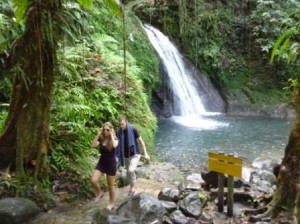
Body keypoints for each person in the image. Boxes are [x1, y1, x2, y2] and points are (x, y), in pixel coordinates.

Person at [116, 116, 150, 197]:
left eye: (123, 124)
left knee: (131, 170)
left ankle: (133, 188)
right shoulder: (118, 132)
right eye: (120, 125)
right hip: (125, 156)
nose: (121, 126)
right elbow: (117, 144)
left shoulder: (133, 129)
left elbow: (141, 141)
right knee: (128, 172)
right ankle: (132, 187)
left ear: (126, 122)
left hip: (135, 154)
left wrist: (145, 153)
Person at [90, 122, 118, 210]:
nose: (105, 131)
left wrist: (112, 135)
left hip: (111, 164)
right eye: (104, 129)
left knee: (110, 186)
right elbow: (93, 145)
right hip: (101, 163)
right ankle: (100, 192)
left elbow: (115, 145)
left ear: (111, 130)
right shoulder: (101, 138)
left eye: (107, 130)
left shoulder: (115, 139)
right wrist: (98, 134)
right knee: (93, 180)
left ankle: (112, 203)